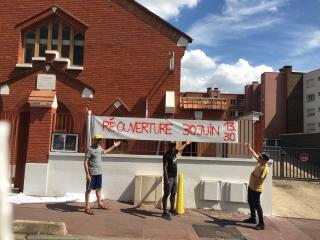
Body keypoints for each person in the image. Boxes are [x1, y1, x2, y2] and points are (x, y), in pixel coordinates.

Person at [84, 134, 121, 215]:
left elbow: (105, 152)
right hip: (92, 173)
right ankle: (87, 208)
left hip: (99, 172)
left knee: (98, 188)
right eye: (97, 139)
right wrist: (87, 174)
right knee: (88, 190)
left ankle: (100, 204)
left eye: (100, 139)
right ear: (94, 139)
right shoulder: (90, 149)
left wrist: (114, 146)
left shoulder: (99, 148)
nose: (98, 141)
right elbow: (85, 162)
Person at [162, 140, 191, 220]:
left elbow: (180, 148)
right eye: (172, 145)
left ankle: (171, 209)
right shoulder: (166, 155)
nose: (173, 146)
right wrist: (166, 180)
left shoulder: (174, 152)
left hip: (174, 177)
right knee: (166, 194)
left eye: (174, 145)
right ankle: (164, 212)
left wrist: (186, 143)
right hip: (169, 178)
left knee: (173, 193)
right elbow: (164, 167)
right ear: (169, 146)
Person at [244, 144, 270, 230]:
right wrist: (249, 148)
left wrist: (253, 175)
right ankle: (253, 218)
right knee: (251, 202)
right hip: (251, 187)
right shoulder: (260, 162)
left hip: (256, 189)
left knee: (257, 205)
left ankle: (261, 223)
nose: (259, 157)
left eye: (261, 157)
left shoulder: (264, 168)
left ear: (265, 160)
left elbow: (260, 178)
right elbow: (254, 154)